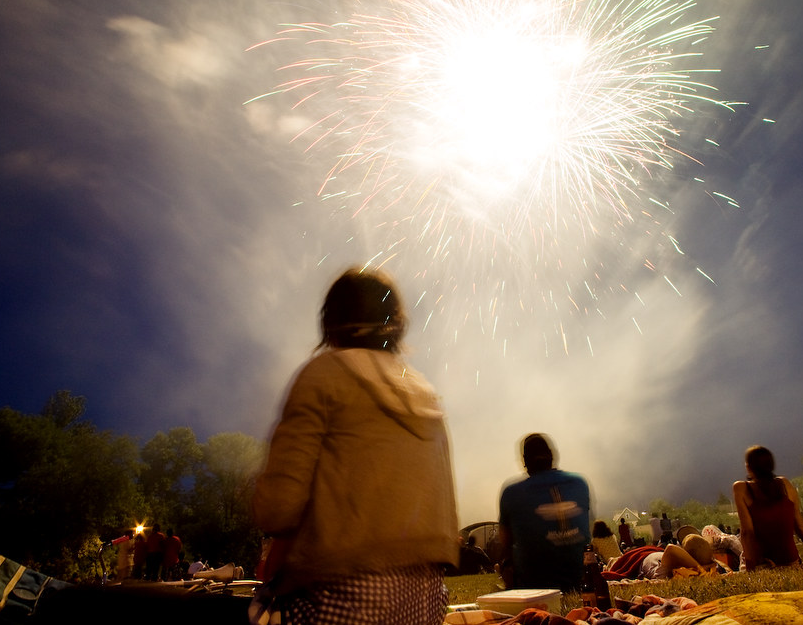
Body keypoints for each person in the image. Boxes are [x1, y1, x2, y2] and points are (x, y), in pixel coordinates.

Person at [252, 267, 459, 625]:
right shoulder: (424, 391)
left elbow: (278, 509)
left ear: (332, 321)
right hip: (427, 597)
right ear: (395, 323)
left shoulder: (322, 375)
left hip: (340, 593)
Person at [498, 433, 591, 591]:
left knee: (507, 557)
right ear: (552, 456)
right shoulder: (579, 483)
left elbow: (505, 542)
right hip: (580, 579)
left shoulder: (512, 493)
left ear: (524, 461)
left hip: (533, 585)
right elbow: (586, 531)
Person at [732, 445, 803, 570]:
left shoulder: (741, 488)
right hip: (792, 563)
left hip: (763, 564)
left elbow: (747, 532)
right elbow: (801, 527)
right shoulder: (785, 484)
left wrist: (751, 569)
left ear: (748, 467)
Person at [637, 533, 722, 580]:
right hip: (646, 556)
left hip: (657, 554)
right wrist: (700, 568)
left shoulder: (670, 569)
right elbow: (670, 548)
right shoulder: (666, 572)